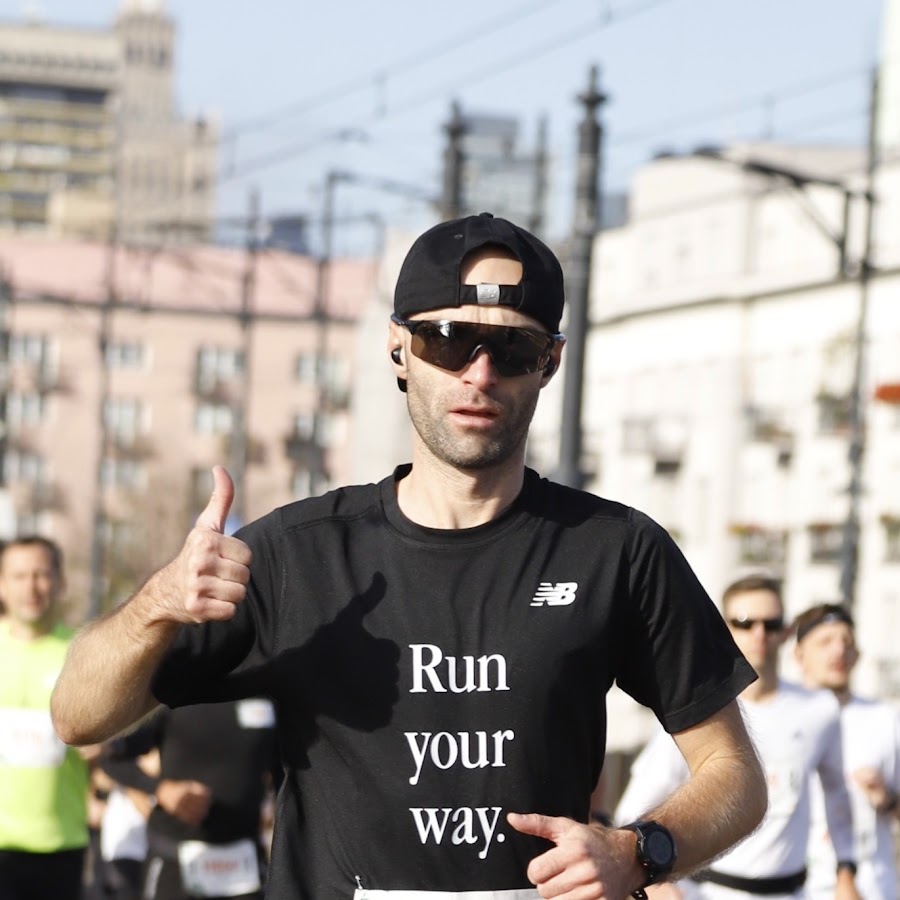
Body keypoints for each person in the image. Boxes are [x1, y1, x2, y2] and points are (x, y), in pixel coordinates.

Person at [51, 212, 768, 899]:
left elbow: (734, 773)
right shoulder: (298, 554)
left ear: (550, 362)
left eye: (513, 350)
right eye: (449, 341)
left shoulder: (615, 550)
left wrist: (637, 851)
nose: (479, 374)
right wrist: (155, 607)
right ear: (399, 347)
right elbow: (77, 716)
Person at [614, 574, 860, 900]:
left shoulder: (820, 709)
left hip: (791, 891)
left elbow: (838, 795)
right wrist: (657, 880)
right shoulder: (699, 710)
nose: (759, 634)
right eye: (744, 623)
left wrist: (846, 870)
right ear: (724, 627)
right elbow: (634, 806)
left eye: (771, 624)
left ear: (786, 632)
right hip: (708, 892)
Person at [98, 698, 279, 900]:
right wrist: (161, 789)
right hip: (174, 857)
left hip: (243, 861)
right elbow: (110, 758)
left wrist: (278, 805)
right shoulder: (174, 693)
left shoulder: (266, 690)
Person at [0, 536, 92, 900]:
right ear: (2, 584)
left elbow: (109, 739)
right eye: (19, 576)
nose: (31, 587)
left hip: (60, 843)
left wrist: (101, 742)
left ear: (60, 582)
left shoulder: (83, 653)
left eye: (41, 574)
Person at [794, 603, 900, 900]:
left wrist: (887, 799)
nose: (839, 650)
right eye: (825, 641)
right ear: (799, 655)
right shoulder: (782, 717)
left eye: (847, 641)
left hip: (873, 887)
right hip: (798, 889)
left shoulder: (885, 718)